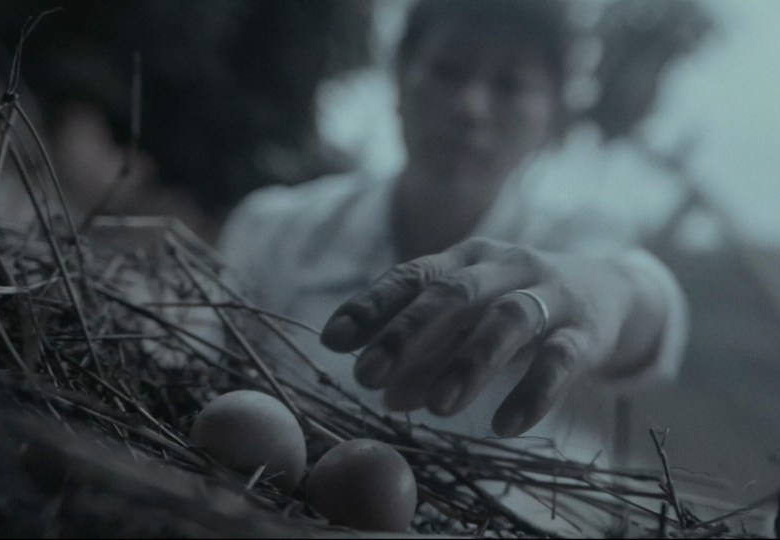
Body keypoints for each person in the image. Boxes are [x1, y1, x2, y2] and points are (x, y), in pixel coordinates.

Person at [217, 0, 688, 456]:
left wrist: (602, 293)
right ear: (399, 80)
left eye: (510, 84)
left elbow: (648, 306)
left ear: (553, 118)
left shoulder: (565, 245)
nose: (470, 107)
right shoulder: (276, 228)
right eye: (447, 70)